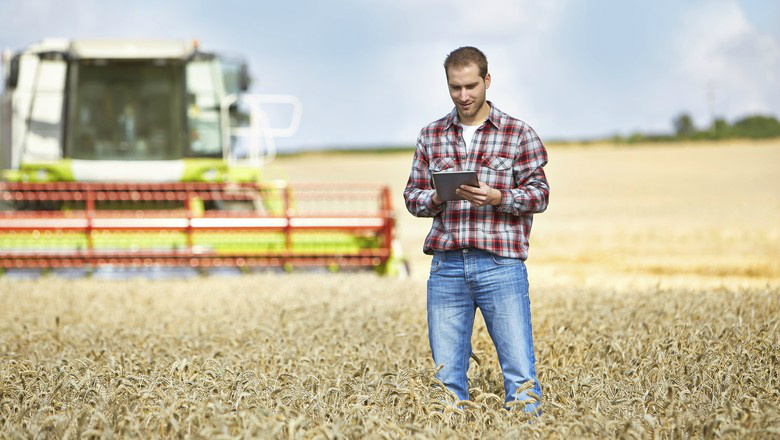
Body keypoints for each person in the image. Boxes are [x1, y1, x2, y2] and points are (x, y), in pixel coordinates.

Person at [403, 46, 549, 415]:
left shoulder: (518, 134)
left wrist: (499, 196)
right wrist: (436, 197)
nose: (463, 96)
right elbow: (412, 197)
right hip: (446, 267)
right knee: (446, 380)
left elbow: (540, 194)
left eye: (471, 86)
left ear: (487, 81)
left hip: (500, 265)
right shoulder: (431, 135)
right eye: (455, 88)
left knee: (520, 377)